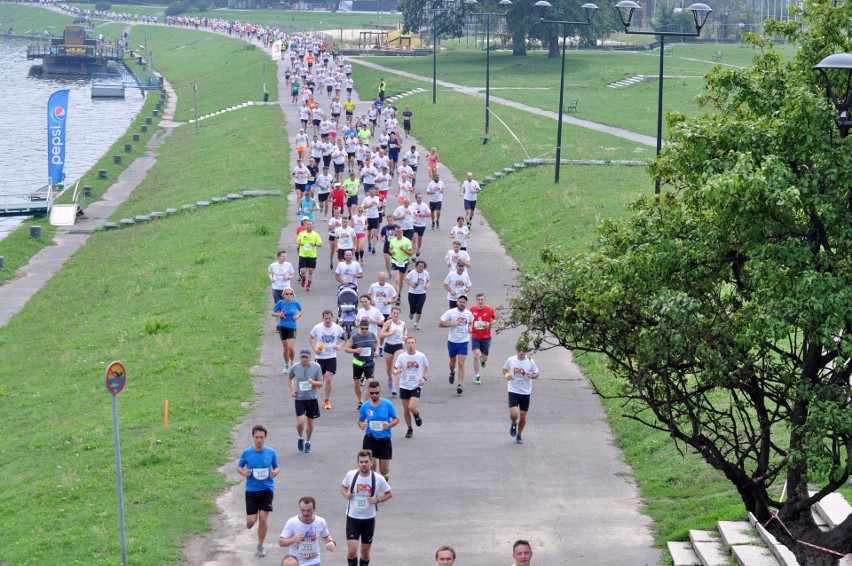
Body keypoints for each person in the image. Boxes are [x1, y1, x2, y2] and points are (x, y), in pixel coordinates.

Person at [341, 450, 393, 566]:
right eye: (361, 462)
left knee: (365, 552)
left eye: (366, 462)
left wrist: (378, 500)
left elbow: (389, 493)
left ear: (371, 463)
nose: (363, 464)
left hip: (368, 519)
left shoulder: (378, 478)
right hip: (353, 518)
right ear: (358, 463)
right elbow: (343, 487)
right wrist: (346, 495)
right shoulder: (351, 475)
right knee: (352, 551)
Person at [237, 425, 280, 558]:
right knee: (251, 520)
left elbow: (277, 467)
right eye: (257, 437)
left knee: (263, 518)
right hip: (251, 490)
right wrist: (244, 472)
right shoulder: (247, 452)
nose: (259, 440)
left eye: (261, 437)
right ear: (253, 437)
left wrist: (274, 472)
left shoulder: (271, 452)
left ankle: (260, 545)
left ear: (265, 438)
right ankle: (250, 522)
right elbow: (239, 466)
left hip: (267, 489)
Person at [357, 380, 399, 480]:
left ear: (380, 391)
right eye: (372, 393)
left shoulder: (387, 404)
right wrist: (361, 425)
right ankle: (374, 491)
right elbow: (360, 420)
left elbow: (396, 419)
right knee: (371, 468)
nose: (374, 395)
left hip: (384, 439)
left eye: (377, 393)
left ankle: (384, 486)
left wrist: (389, 425)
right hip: (370, 439)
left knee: (384, 470)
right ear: (369, 392)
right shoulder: (365, 406)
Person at [279, 496, 336, 564]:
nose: (305, 513)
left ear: (314, 509)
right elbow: (281, 543)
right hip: (296, 562)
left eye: (309, 510)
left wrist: (331, 543)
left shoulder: (320, 522)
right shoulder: (292, 522)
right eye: (303, 510)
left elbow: (326, 536)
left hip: (314, 561)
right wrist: (293, 539)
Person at [309, 310, 347, 410]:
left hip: (331, 356)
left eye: (329, 318)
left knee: (328, 378)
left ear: (332, 317)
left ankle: (327, 400)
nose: (327, 320)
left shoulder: (337, 328)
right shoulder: (317, 328)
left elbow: (344, 338)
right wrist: (315, 349)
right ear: (322, 318)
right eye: (325, 318)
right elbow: (311, 338)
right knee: (319, 379)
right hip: (320, 357)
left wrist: (339, 346)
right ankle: (316, 389)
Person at [289, 349, 323, 454]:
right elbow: (290, 378)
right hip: (299, 398)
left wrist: (313, 382)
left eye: (306, 357)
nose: (304, 359)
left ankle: (308, 441)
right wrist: (292, 390)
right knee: (300, 422)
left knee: (310, 422)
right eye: (302, 357)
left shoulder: (316, 367)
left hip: (312, 399)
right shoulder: (295, 367)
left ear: (310, 358)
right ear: (299, 358)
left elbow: (321, 383)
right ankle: (300, 437)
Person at [393, 336, 428, 438]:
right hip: (404, 385)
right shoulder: (402, 357)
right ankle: (409, 428)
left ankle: (416, 414)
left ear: (415, 344)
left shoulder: (421, 356)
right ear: (406, 344)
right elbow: (395, 368)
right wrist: (396, 371)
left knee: (411, 407)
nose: (411, 345)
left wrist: (424, 379)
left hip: (416, 385)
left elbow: (426, 367)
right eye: (409, 343)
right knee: (406, 409)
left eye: (412, 343)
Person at [504, 345, 540, 445]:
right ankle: (513, 423)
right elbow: (504, 370)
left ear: (526, 351)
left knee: (523, 416)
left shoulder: (530, 361)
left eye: (523, 351)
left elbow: (537, 373)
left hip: (525, 392)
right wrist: (507, 375)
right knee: (515, 414)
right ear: (516, 350)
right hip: (513, 390)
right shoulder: (511, 360)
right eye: (519, 351)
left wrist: (532, 376)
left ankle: (519, 435)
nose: (521, 353)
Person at [438, 295, 473, 395]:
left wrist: (470, 328)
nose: (462, 303)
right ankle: (452, 372)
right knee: (452, 363)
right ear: (457, 302)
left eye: (464, 302)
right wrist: (451, 324)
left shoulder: (469, 314)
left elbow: (471, 322)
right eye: (460, 302)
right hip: (452, 341)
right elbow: (440, 324)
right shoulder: (451, 312)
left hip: (464, 342)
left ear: (466, 304)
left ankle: (460, 385)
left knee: (461, 364)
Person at [345, 320, 379, 409]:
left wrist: (376, 351)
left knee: (370, 383)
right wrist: (355, 350)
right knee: (357, 383)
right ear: (360, 327)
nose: (364, 330)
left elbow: (376, 341)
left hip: (369, 363)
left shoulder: (372, 335)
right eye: (362, 328)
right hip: (358, 363)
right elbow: (347, 349)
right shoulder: (355, 337)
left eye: (366, 329)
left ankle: (366, 404)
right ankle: (360, 401)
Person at [272, 288, 303, 374]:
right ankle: (286, 365)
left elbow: (301, 310)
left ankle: (292, 362)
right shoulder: (280, 303)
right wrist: (280, 314)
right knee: (285, 349)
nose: (289, 295)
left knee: (291, 347)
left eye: (290, 294)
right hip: (283, 327)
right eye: (287, 294)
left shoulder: (295, 303)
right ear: (284, 295)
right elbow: (273, 313)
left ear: (293, 295)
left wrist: (298, 316)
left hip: (292, 327)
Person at [470, 293, 497, 385]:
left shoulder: (489, 310)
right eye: (479, 300)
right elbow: (469, 320)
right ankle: (477, 375)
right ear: (476, 301)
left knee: (484, 358)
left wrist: (490, 324)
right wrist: (469, 327)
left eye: (482, 300)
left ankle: (483, 360)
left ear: (485, 300)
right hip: (475, 336)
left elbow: (494, 319)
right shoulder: (472, 309)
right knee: (476, 355)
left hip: (486, 337)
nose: (480, 301)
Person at [379, 306, 406, 394]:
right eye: (394, 313)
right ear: (391, 313)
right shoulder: (388, 323)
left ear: (399, 314)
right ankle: (390, 378)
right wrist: (390, 333)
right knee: (389, 367)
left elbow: (405, 331)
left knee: (396, 366)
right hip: (389, 346)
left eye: (397, 313)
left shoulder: (402, 323)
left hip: (399, 346)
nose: (396, 315)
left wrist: (405, 336)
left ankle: (394, 387)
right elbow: (381, 334)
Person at [296, 219, 323, 291]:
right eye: (307, 224)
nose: (309, 226)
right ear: (305, 225)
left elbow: (320, 244)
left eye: (310, 224)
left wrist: (314, 244)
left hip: (312, 255)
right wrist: (299, 244)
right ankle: (303, 278)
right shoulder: (302, 234)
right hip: (303, 255)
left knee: (311, 272)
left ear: (312, 226)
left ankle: (308, 285)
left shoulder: (315, 234)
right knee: (302, 271)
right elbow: (298, 241)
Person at [388, 225, 414, 298]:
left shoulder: (407, 241)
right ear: (395, 232)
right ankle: (396, 296)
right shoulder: (392, 240)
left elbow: (411, 253)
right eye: (397, 232)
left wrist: (403, 250)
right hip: (395, 261)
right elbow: (390, 249)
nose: (398, 233)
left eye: (400, 232)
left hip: (404, 262)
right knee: (396, 280)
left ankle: (399, 294)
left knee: (400, 281)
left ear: (402, 232)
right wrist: (391, 251)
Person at [404, 260, 430, 330]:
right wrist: (411, 284)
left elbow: (428, 280)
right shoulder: (412, 273)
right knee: (413, 308)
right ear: (416, 266)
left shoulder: (425, 273)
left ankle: (416, 323)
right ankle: (411, 313)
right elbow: (406, 280)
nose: (421, 268)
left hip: (422, 293)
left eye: (422, 266)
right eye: (419, 266)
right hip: (412, 293)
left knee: (419, 308)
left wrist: (427, 285)